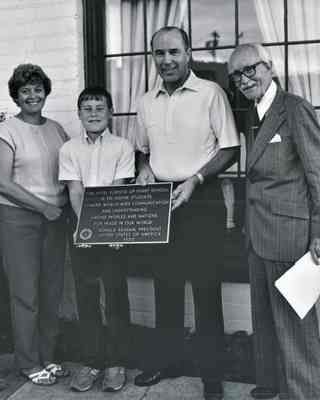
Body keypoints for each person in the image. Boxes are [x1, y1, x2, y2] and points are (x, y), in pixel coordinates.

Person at [133, 26, 240, 400]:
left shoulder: (210, 94)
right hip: (161, 201)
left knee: (206, 290)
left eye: (174, 52)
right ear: (153, 57)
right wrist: (145, 168)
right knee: (166, 287)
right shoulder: (146, 101)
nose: (167, 60)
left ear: (189, 52)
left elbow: (230, 149)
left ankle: (212, 374)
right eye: (159, 53)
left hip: (202, 198)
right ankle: (170, 360)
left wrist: (196, 178)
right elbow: (143, 149)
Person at [228, 43, 320, 400]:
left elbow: (317, 174)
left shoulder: (294, 109)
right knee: (265, 324)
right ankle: (272, 388)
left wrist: (318, 232)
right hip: (259, 235)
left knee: (297, 331)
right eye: (236, 75)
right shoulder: (252, 114)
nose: (244, 79)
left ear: (269, 66)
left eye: (251, 69)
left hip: (291, 237)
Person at [0, 64, 70, 385]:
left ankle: (48, 356)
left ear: (45, 92)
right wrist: (43, 207)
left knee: (52, 291)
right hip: (18, 220)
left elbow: (68, 172)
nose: (32, 95)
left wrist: (62, 207)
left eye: (38, 89)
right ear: (16, 96)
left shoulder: (57, 130)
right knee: (25, 294)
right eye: (25, 91)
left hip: (55, 218)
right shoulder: (6, 132)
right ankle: (28, 361)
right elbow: (0, 182)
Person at [59, 87, 134, 393]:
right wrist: (84, 228)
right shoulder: (69, 149)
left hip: (113, 228)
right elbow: (75, 190)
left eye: (99, 108)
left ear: (110, 112)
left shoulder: (123, 146)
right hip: (82, 230)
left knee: (116, 293)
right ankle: (92, 362)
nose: (93, 113)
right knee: (86, 296)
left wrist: (109, 229)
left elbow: (117, 189)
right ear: (79, 114)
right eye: (87, 108)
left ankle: (116, 362)